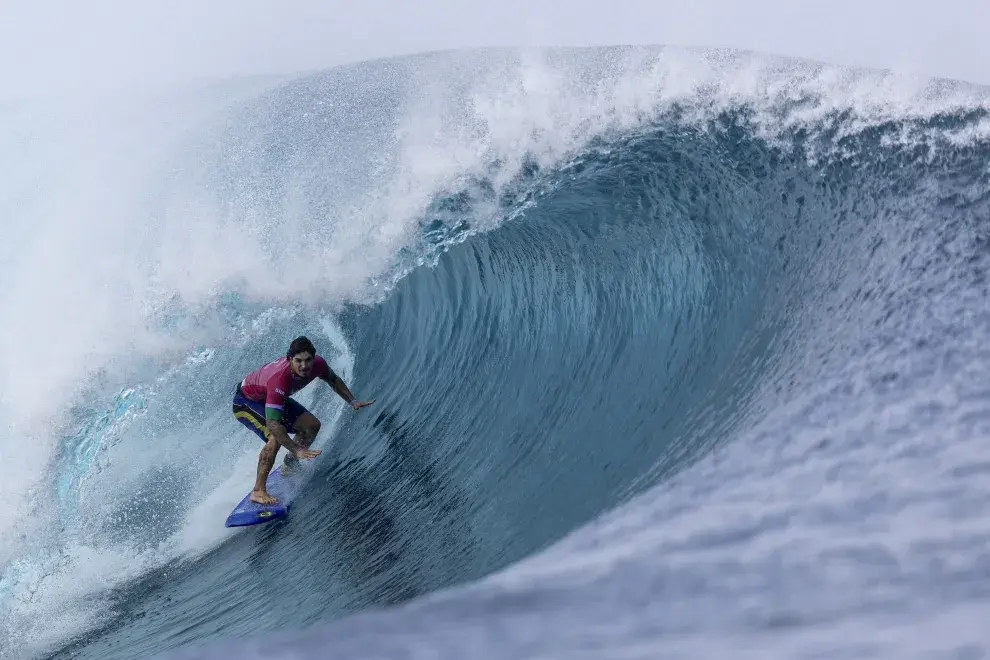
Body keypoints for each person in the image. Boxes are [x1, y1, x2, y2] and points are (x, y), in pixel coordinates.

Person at [232, 336, 375, 505]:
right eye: (298, 361)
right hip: (246, 402)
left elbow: (333, 379)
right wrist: (296, 448)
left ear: (314, 358)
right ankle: (258, 491)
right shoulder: (280, 379)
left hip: (271, 398)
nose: (304, 366)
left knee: (311, 426)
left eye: (308, 360)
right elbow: (273, 423)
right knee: (274, 438)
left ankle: (290, 463)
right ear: (289, 359)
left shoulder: (319, 364)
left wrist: (352, 401)